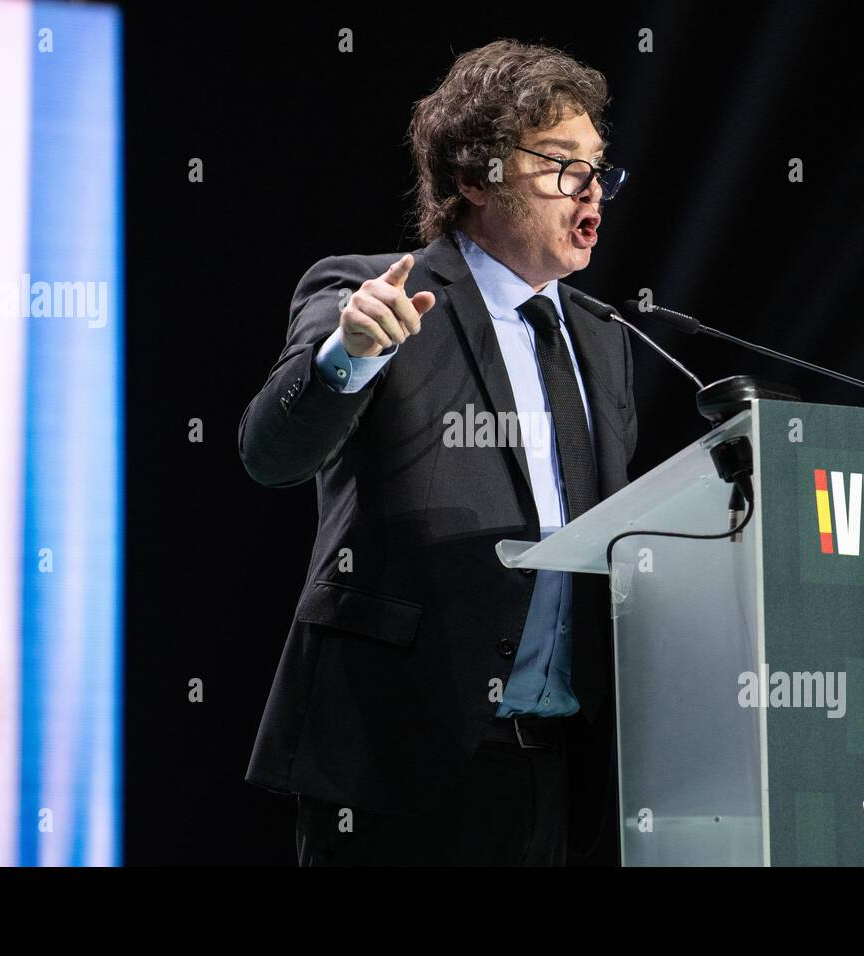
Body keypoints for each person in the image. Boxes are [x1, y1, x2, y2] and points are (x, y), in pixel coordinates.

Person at [238, 38, 636, 865]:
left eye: (599, 166)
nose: (591, 188)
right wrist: (347, 356)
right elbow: (269, 453)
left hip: (560, 771)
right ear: (473, 176)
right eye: (562, 163)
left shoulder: (605, 340)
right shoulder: (371, 292)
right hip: (398, 762)